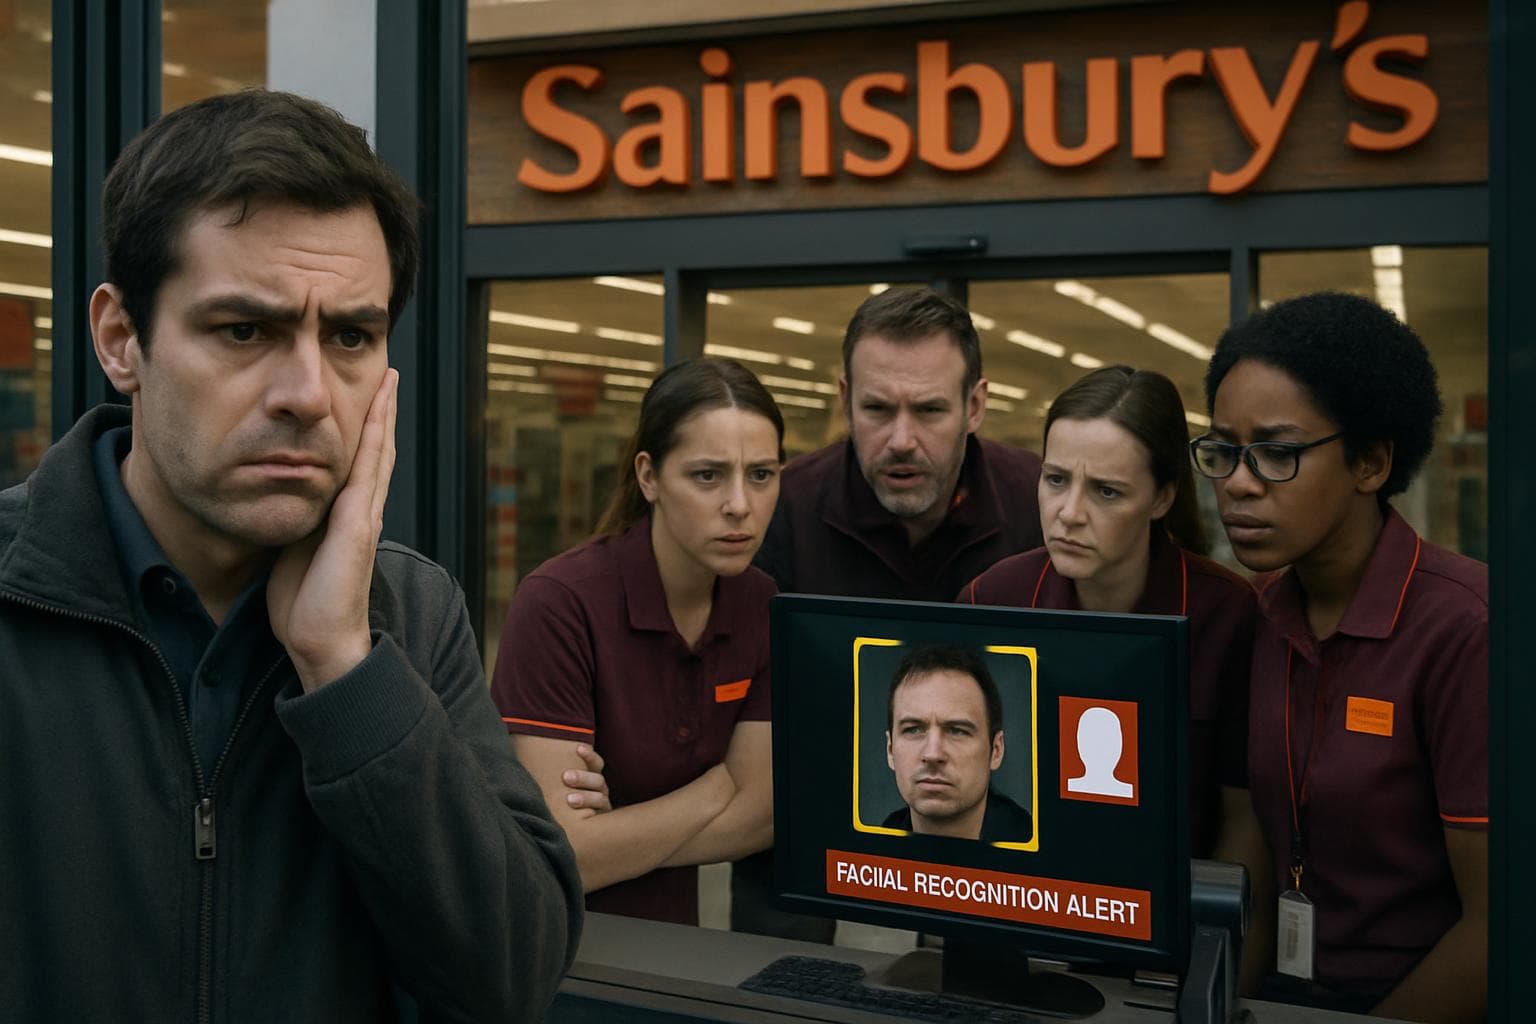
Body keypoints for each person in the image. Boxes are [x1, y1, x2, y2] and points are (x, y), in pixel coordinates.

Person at [0, 91, 581, 1021]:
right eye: (245, 330)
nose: (309, 393)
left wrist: (345, 671)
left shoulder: (409, 614)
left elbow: (508, 974)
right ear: (121, 340)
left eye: (352, 336)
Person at [1199, 291, 1486, 1021]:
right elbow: (1255, 860)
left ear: (1370, 461)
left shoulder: (1465, 629)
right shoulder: (1257, 613)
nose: (1238, 482)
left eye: (1277, 453)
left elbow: (1499, 926)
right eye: (1224, 451)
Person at [741, 285, 1044, 936]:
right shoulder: (781, 512)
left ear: (976, 405)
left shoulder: (1041, 510)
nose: (901, 440)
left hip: (1001, 866)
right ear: (844, 399)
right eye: (877, 409)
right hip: (803, 865)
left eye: (930, 410)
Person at [491, 357, 781, 926]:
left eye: (762, 475)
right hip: (550, 945)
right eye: (707, 475)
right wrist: (716, 787)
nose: (740, 505)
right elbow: (562, 856)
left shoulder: (762, 604)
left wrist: (615, 829)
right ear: (649, 476)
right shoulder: (559, 604)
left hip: (675, 947)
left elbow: (763, 818)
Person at [959, 366, 1260, 863]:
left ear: (1162, 497)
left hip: (1171, 909)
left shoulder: (1226, 615)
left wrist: (1222, 935)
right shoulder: (991, 600)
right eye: (1055, 480)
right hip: (1021, 898)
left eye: (1106, 491)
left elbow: (1244, 816)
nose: (1069, 512)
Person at [881, 645, 1032, 842]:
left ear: (996, 750)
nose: (933, 754)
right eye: (913, 729)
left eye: (957, 731)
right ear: (890, 750)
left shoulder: (1046, 856)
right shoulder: (871, 848)